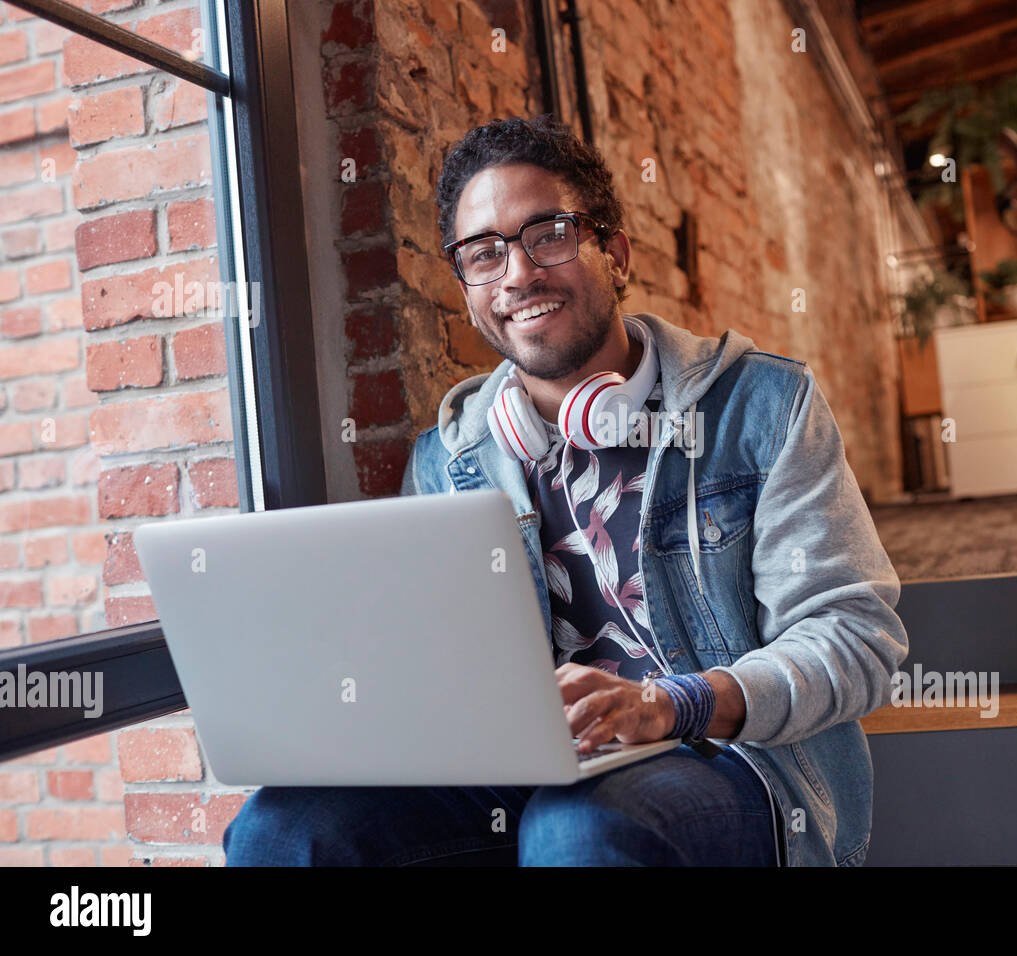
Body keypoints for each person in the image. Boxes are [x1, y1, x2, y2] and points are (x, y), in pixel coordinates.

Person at [222, 114, 908, 867]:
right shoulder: (449, 460)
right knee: (280, 830)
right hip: (531, 771)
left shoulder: (762, 407)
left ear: (613, 254)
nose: (517, 274)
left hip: (732, 758)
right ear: (467, 287)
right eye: (484, 254)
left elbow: (854, 638)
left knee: (577, 832)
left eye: (547, 234)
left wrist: (671, 703)